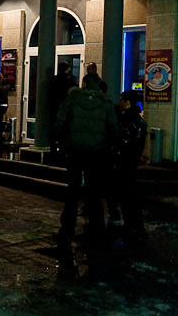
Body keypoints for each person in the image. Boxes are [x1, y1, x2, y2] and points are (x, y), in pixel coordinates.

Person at [54, 73, 118, 253]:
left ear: (84, 84)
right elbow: (113, 128)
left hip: (75, 150)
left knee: (72, 191)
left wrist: (60, 142)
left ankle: (67, 229)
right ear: (98, 84)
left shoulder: (72, 99)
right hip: (97, 152)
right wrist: (110, 147)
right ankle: (97, 230)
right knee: (94, 191)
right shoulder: (105, 103)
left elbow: (60, 122)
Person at [107, 91, 148, 243]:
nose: (120, 102)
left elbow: (123, 143)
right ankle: (134, 227)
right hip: (130, 163)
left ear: (127, 102)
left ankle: (132, 227)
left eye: (121, 99)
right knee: (129, 196)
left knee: (127, 197)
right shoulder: (137, 120)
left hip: (124, 163)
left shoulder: (129, 121)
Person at [48, 61, 76, 154]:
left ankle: (53, 150)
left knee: (54, 131)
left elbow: (50, 94)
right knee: (64, 132)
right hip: (65, 110)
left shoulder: (53, 80)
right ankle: (62, 150)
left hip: (54, 108)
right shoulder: (70, 80)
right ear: (66, 69)